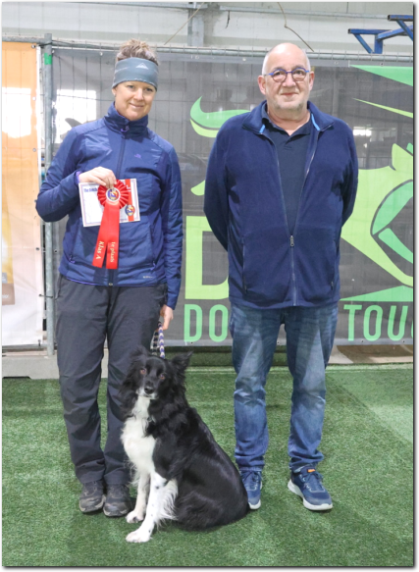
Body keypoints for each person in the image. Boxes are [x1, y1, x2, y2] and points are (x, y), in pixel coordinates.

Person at [204, 43, 358, 511]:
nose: (288, 81)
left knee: (311, 386)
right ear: (262, 83)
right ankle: (249, 469)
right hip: (255, 292)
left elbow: (343, 204)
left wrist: (309, 246)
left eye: (297, 72)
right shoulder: (234, 134)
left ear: (311, 79)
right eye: (278, 73)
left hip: (316, 290)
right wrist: (255, 255)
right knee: (249, 385)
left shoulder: (338, 134)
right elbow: (217, 208)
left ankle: (304, 469)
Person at [36, 40, 182, 517]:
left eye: (148, 89)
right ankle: (89, 473)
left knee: (128, 389)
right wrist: (79, 181)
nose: (139, 96)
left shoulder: (162, 153)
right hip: (82, 280)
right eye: (131, 86)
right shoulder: (81, 141)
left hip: (140, 288)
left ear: (154, 94)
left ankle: (118, 476)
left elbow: (172, 226)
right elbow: (46, 206)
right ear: (115, 86)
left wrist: (170, 293)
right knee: (76, 386)